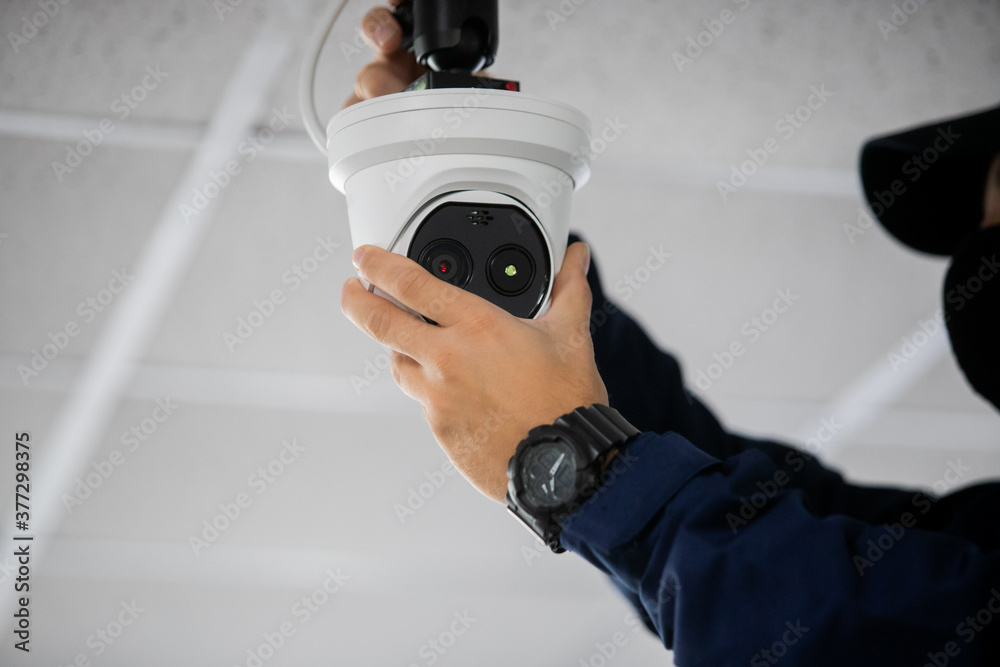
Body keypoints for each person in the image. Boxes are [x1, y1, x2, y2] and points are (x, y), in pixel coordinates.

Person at [339, 4, 1000, 664]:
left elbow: (811, 622)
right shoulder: (976, 535)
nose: (978, 243)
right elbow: (756, 518)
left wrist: (573, 460)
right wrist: (521, 256)